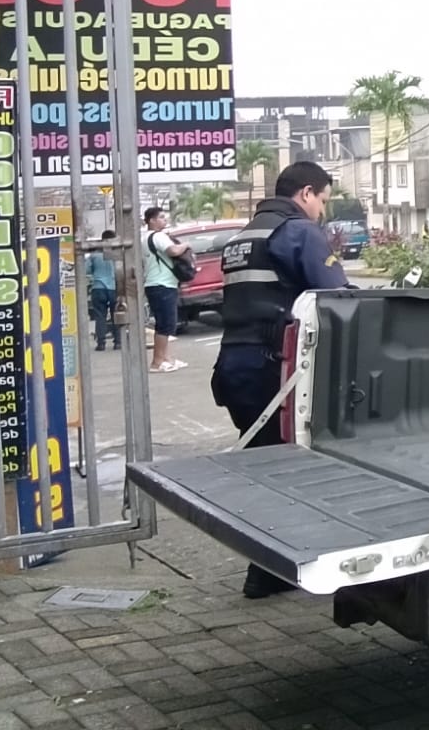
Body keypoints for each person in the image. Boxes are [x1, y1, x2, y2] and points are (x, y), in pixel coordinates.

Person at [213, 160, 349, 599]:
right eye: (322, 201)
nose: (321, 211)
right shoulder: (298, 232)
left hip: (234, 369)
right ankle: (271, 568)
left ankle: (270, 569)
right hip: (275, 369)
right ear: (306, 193)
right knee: (289, 469)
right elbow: (338, 297)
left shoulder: (242, 237)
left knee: (264, 465)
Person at [141, 207, 192, 373]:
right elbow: (173, 251)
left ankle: (166, 358)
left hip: (155, 284)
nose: (165, 220)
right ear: (151, 220)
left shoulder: (144, 238)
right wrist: (186, 245)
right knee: (165, 324)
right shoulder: (158, 236)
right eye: (161, 217)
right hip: (162, 284)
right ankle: (157, 362)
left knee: (166, 323)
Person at [88, 229, 118, 350]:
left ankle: (101, 343)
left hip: (98, 287)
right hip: (114, 288)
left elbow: (86, 270)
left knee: (100, 316)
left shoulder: (95, 255)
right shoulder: (117, 255)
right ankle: (118, 342)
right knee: (116, 315)